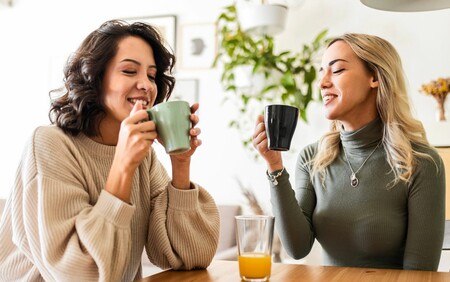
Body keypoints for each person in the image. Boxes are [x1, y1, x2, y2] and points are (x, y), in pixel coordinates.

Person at [0, 19, 219, 281]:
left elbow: (189, 257)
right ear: (94, 78)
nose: (146, 85)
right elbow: (81, 274)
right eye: (129, 71)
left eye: (151, 75)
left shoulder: (144, 157)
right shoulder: (49, 145)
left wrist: (180, 163)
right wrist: (123, 166)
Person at [252, 33, 445, 271]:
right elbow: (297, 248)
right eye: (322, 71)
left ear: (374, 77)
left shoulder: (422, 163)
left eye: (337, 70)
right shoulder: (312, 159)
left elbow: (419, 275)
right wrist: (274, 166)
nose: (322, 82)